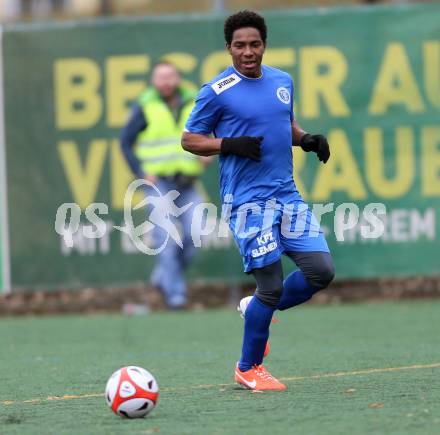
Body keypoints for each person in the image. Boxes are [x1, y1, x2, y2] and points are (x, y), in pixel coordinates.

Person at [182, 10, 335, 390]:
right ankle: (248, 368)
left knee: (321, 271)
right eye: (239, 45)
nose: (247, 52)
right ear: (229, 48)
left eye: (254, 44)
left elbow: (285, 123)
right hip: (247, 202)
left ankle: (255, 309)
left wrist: (306, 139)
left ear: (264, 45)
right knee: (271, 285)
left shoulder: (282, 81)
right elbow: (189, 138)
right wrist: (227, 144)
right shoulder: (216, 91)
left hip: (287, 196)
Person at [121, 61, 208, 309]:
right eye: (160, 77)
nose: (166, 82)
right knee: (167, 239)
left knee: (197, 234)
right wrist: (139, 171)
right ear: (153, 81)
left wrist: (207, 150)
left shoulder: (194, 102)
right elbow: (125, 142)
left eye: (170, 76)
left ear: (178, 79)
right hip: (159, 183)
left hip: (188, 182)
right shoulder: (145, 106)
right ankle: (176, 295)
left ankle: (163, 277)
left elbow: (207, 132)